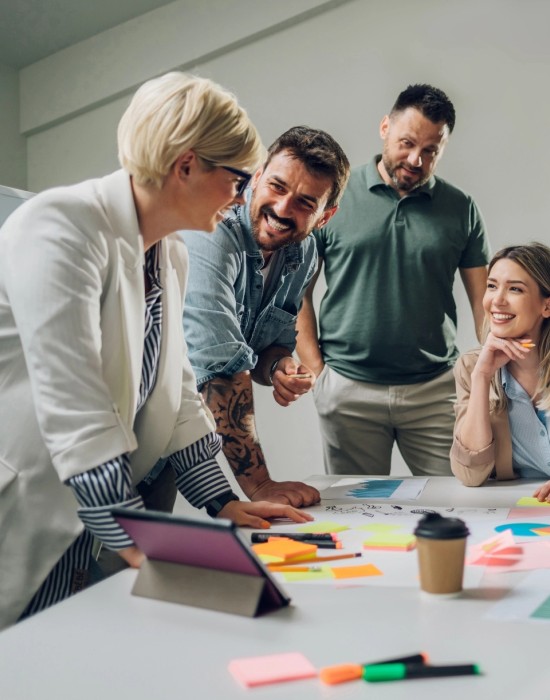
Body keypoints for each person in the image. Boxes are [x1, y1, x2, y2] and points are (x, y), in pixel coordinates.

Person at [0, 72, 313, 631]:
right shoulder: (59, 226)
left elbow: (177, 397)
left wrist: (223, 502)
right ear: (186, 165)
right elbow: (77, 410)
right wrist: (156, 549)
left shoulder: (169, 253)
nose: (243, 197)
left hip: (86, 514)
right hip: (29, 504)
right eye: (239, 179)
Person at [296, 84, 491, 477]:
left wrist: (488, 378)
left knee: (457, 504)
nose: (416, 159)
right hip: (348, 389)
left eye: (430, 151)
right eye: (407, 143)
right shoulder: (333, 197)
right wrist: (318, 374)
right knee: (355, 517)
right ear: (385, 127)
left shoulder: (461, 208)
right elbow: (298, 292)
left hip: (436, 389)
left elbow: (485, 301)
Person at [180, 126, 350, 507]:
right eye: (277, 186)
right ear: (256, 176)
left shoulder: (302, 253)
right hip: (124, 420)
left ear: (325, 216)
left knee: (143, 556)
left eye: (306, 203)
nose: (283, 209)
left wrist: (277, 367)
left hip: (181, 436)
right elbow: (221, 367)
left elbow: (267, 344)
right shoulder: (213, 230)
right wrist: (260, 486)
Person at [451, 242, 550, 499]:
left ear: (547, 307)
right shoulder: (472, 367)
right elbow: (470, 475)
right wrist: (482, 377)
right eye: (492, 286)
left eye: (515, 289)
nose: (497, 300)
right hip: (520, 507)